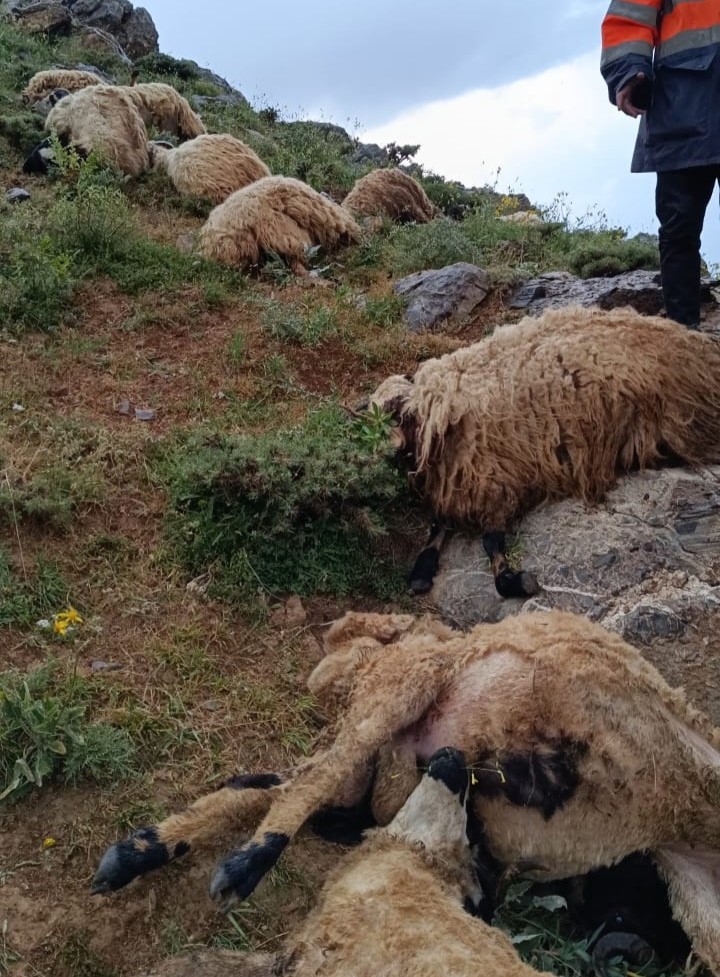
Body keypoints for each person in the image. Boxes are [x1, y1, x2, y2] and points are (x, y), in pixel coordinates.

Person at [601, 0, 720, 329]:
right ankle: (684, 343)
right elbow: (628, 16)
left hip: (680, 105)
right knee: (679, 229)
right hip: (682, 104)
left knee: (678, 231)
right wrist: (627, 72)